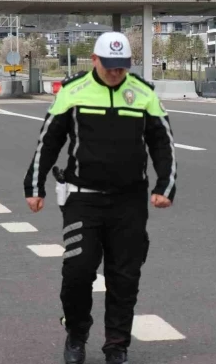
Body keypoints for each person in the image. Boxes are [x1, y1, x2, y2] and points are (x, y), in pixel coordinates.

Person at [23, 31, 177, 364]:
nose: (115, 73)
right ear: (94, 60)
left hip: (130, 202)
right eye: (109, 66)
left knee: (125, 275)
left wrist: (165, 185)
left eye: (121, 67)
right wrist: (34, 187)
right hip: (83, 199)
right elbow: (48, 141)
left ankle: (116, 346)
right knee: (78, 271)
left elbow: (163, 143)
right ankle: (76, 334)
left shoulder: (143, 94)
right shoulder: (73, 92)